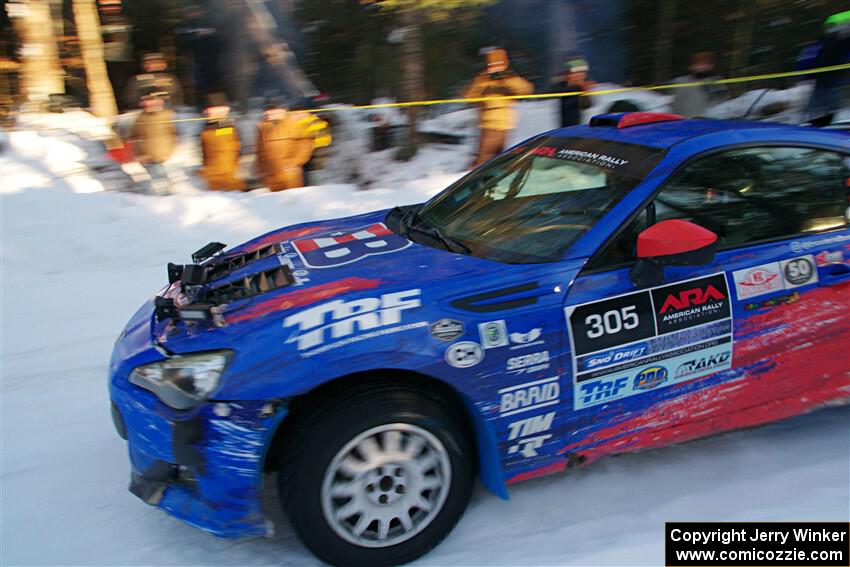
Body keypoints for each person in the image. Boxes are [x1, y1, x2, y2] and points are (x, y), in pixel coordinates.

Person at [463, 48, 534, 167]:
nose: (496, 68)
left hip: (505, 124)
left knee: (500, 156)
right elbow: (469, 96)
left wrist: (507, 80)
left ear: (504, 65)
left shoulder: (510, 78)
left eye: (499, 65)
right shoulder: (483, 79)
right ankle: (475, 173)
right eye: (492, 65)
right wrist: (483, 82)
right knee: (483, 157)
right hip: (488, 124)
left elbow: (526, 89)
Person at [801, 10, 850, 126]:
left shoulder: (839, 42)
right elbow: (813, 58)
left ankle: (821, 124)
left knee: (829, 105)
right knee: (821, 105)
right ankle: (816, 124)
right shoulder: (825, 42)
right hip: (825, 79)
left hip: (834, 79)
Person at [255, 99, 315, 191]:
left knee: (293, 197)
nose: (268, 113)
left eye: (272, 110)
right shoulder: (263, 127)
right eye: (267, 110)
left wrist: (295, 163)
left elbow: (306, 143)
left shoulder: (293, 123)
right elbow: (260, 151)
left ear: (282, 111)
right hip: (271, 177)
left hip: (290, 175)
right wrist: (262, 171)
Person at [130, 89, 176, 195]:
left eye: (150, 100)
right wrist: (138, 154)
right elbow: (135, 137)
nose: (147, 104)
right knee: (156, 181)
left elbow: (173, 135)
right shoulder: (140, 118)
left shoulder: (166, 115)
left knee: (161, 180)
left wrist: (168, 152)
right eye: (145, 101)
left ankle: (165, 198)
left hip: (161, 156)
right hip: (147, 157)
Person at [198, 93, 245, 191]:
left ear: (225, 111)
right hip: (213, 177)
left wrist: (219, 125)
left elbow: (233, 146)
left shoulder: (229, 128)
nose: (214, 114)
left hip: (229, 176)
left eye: (219, 111)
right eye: (211, 111)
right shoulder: (205, 131)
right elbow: (204, 152)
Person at [671, 52, 726, 118]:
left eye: (705, 63)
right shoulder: (680, 82)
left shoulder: (715, 82)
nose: (701, 67)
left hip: (704, 121)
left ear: (711, 66)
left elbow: (720, 105)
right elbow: (671, 102)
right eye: (698, 64)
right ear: (691, 66)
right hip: (679, 121)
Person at [550, 56, 595, 127]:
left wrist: (585, 91)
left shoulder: (579, 88)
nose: (581, 76)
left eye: (582, 73)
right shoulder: (564, 87)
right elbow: (566, 101)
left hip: (576, 125)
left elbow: (586, 105)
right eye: (577, 73)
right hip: (566, 126)